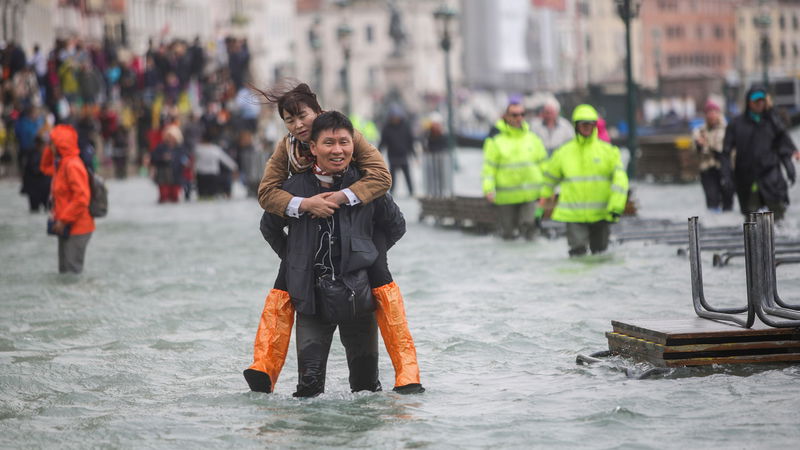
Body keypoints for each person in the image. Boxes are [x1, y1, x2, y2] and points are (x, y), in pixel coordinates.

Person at [245, 82, 423, 395]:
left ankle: (408, 377)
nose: (298, 124)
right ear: (313, 147)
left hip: (360, 292)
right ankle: (264, 369)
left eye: (303, 116)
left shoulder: (361, 170)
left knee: (367, 389)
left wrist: (366, 251)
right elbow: (268, 217)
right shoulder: (291, 176)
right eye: (290, 120)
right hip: (310, 297)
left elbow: (394, 221)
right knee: (308, 390)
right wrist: (297, 253)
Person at [541, 104, 628, 257]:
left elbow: (620, 181)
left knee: (600, 254)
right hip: (574, 215)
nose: (587, 127)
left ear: (595, 126)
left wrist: (616, 206)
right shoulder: (564, 152)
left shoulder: (608, 151)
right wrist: (544, 198)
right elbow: (550, 178)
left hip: (601, 214)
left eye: (590, 124)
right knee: (577, 253)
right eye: (583, 124)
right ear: (576, 126)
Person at [721, 86, 797, 221]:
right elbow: (726, 153)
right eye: (756, 101)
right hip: (747, 179)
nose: (759, 103)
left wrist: (789, 168)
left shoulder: (773, 122)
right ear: (748, 102)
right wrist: (726, 176)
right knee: (751, 218)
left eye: (762, 100)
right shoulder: (736, 124)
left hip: (771, 177)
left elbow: (783, 147)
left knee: (778, 215)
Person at [481, 102, 548, 240]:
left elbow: (544, 166)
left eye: (522, 114)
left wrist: (547, 191)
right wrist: (488, 189)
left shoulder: (533, 139)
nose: (519, 118)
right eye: (515, 114)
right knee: (508, 235)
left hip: (530, 195)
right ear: (506, 116)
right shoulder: (495, 141)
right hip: (506, 196)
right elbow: (489, 169)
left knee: (530, 228)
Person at [49, 124, 95, 274]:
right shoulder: (62, 164)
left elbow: (81, 198)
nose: (49, 146)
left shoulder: (72, 165)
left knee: (71, 273)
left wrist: (63, 219)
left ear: (60, 144)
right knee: (65, 272)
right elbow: (44, 167)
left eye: (52, 143)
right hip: (66, 225)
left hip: (76, 226)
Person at [692, 100, 732, 212]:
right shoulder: (699, 130)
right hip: (707, 169)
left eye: (714, 111)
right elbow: (695, 151)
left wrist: (707, 144)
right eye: (709, 112)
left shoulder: (727, 129)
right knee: (712, 198)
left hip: (725, 169)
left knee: (727, 199)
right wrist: (699, 145)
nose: (711, 115)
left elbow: (727, 149)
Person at [378, 106, 416, 196]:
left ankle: (411, 191)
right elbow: (383, 142)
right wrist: (378, 152)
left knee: (407, 174)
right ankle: (392, 192)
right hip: (393, 155)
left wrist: (413, 153)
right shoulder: (387, 128)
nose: (395, 119)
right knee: (392, 175)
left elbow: (410, 140)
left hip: (403, 154)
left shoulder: (405, 126)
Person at [194, 130, 238, 198]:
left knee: (201, 195)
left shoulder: (198, 148)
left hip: (201, 175)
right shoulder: (215, 149)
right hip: (213, 175)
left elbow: (192, 161)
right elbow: (226, 160)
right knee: (211, 195)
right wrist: (234, 167)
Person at [151, 125, 188, 203]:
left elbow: (184, 159)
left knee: (175, 196)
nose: (171, 138)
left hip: (177, 174)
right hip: (163, 175)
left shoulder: (180, 148)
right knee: (164, 196)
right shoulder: (161, 147)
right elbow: (153, 159)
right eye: (169, 136)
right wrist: (162, 158)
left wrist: (184, 163)